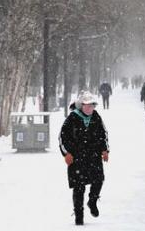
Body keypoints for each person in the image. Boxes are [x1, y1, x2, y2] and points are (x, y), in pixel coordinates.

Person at [59, 92, 110, 225]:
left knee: (98, 180)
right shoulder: (72, 118)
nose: (90, 108)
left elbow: (103, 134)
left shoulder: (96, 117)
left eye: (92, 106)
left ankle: (92, 201)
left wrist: (105, 150)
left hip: (93, 156)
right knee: (79, 187)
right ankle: (79, 216)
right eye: (87, 106)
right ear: (81, 106)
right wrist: (67, 154)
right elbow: (62, 138)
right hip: (77, 158)